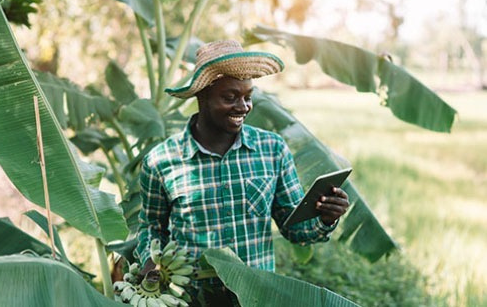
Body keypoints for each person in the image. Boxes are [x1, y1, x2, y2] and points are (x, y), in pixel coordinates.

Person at [134, 40, 350, 304]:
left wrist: (326, 217)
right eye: (230, 97)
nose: (244, 107)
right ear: (202, 96)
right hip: (189, 297)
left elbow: (295, 230)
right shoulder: (162, 161)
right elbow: (152, 227)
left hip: (255, 298)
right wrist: (149, 259)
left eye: (248, 97)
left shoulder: (272, 150)